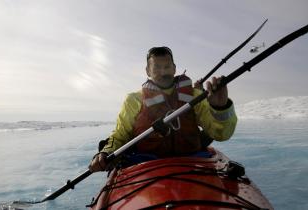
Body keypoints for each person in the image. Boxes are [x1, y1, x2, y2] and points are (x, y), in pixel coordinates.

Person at [89, 46, 237, 172]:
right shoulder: (134, 100)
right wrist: (106, 152)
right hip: (146, 164)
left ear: (174, 68)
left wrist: (220, 107)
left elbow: (222, 135)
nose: (163, 72)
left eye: (167, 67)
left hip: (193, 160)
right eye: (157, 68)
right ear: (148, 71)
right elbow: (121, 136)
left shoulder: (196, 96)